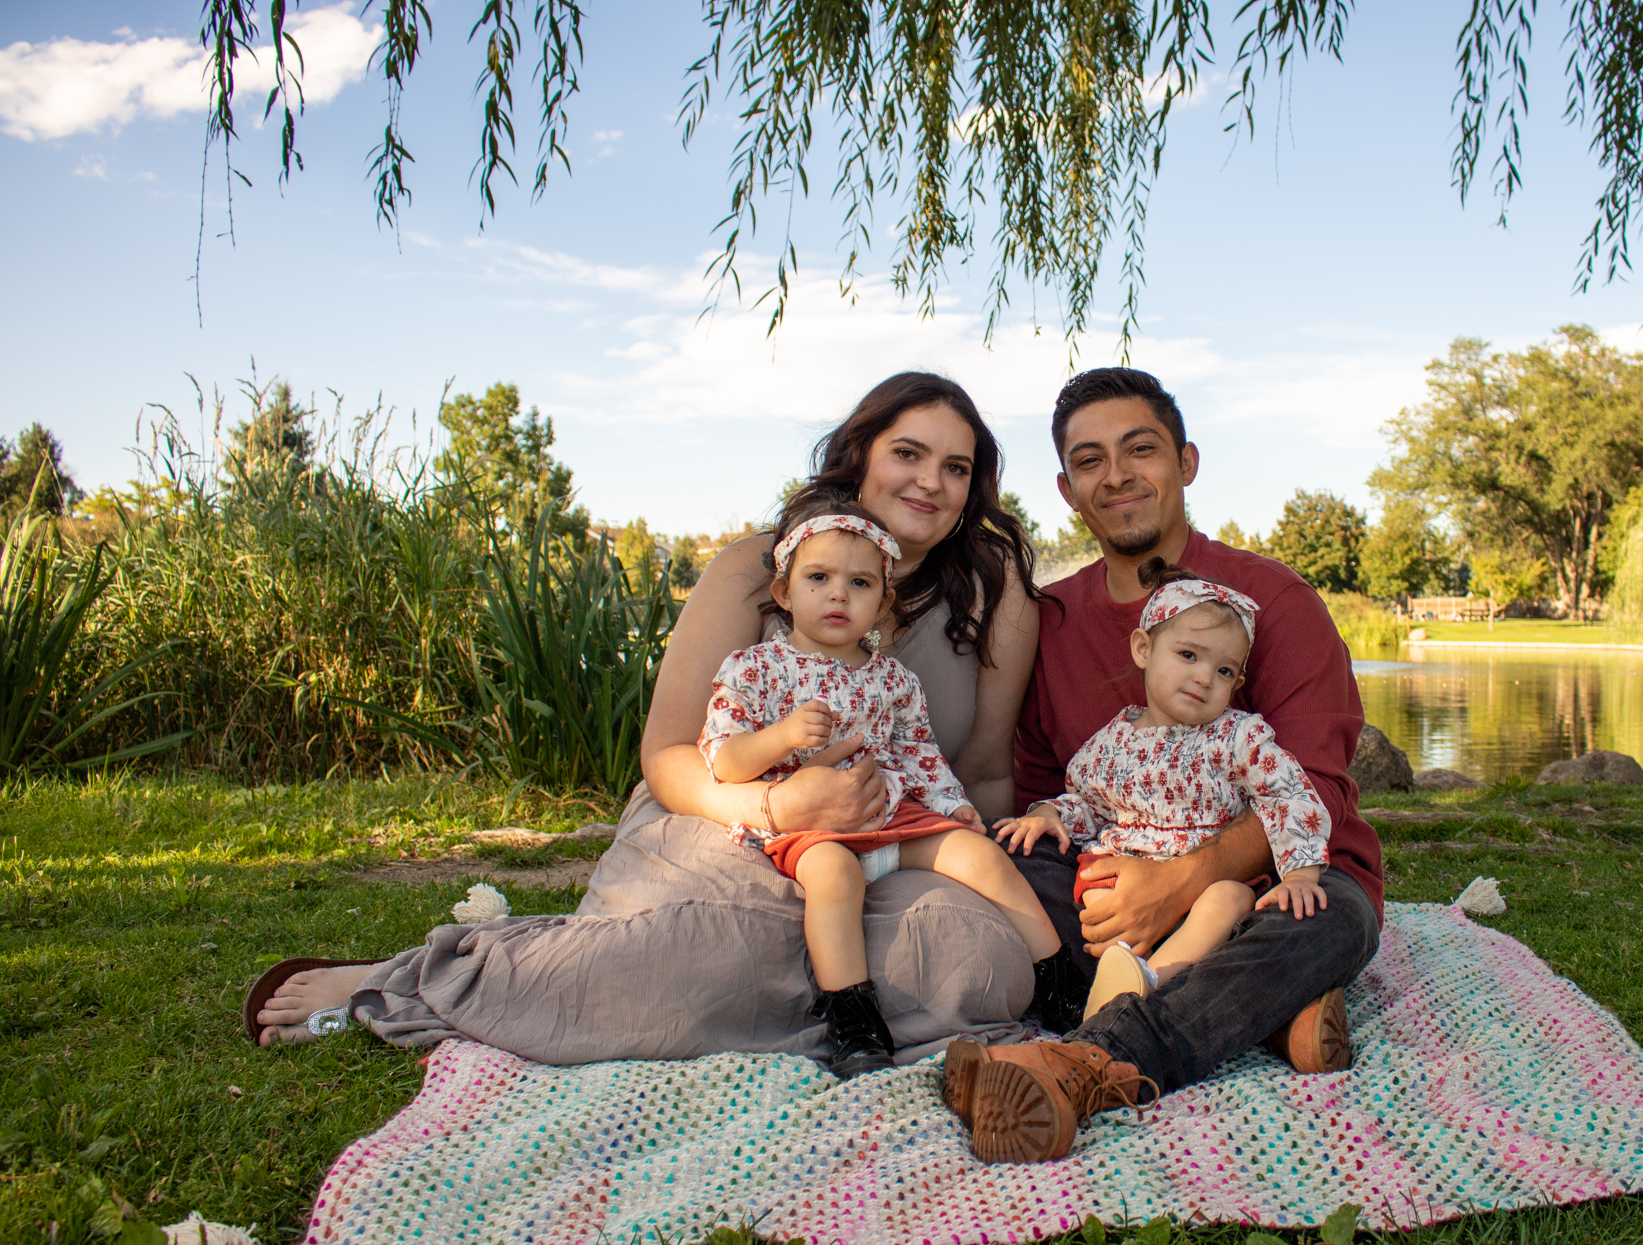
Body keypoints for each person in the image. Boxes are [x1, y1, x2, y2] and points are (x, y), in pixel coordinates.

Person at [247, 373, 1054, 1066]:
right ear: (861, 457)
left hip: (892, 836)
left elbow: (981, 771)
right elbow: (669, 753)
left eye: (957, 466)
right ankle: (437, 975)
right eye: (908, 453)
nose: (931, 482)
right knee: (712, 950)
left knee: (980, 965)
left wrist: (973, 861)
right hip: (726, 817)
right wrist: (774, 806)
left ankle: (792, 1006)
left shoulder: (994, 589)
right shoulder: (759, 566)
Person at [943, 366, 1386, 1165]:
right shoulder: (1052, 618)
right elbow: (1057, 786)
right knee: (1010, 871)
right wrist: (1055, 839)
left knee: (1334, 919)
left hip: (1277, 880)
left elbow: (1312, 786)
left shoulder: (1271, 603)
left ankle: (1086, 1063)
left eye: (1139, 448)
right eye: (1089, 460)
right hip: (1117, 876)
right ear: (1068, 488)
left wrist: (1182, 882)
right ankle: (1265, 1014)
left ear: (1185, 461)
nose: (1116, 474)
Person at [699, 505, 1081, 1075]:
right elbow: (723, 758)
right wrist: (779, 738)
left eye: (859, 584)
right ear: (783, 591)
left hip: (887, 816)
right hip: (808, 823)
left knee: (979, 854)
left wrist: (953, 805)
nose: (838, 595)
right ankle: (853, 1017)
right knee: (834, 875)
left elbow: (918, 754)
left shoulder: (893, 680)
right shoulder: (755, 669)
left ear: (881, 605)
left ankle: (1059, 980)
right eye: (818, 578)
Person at [992, 559, 1331, 1022]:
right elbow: (1089, 806)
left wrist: (1301, 875)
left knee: (1232, 900)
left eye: (1225, 671)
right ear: (1143, 649)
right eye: (1188, 656)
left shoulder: (1237, 738)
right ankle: (1138, 982)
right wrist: (1050, 814)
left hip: (1203, 885)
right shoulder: (1114, 739)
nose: (1203, 677)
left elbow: (1290, 794)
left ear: (1238, 684)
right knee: (1054, 873)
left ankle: (1143, 987)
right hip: (1119, 875)